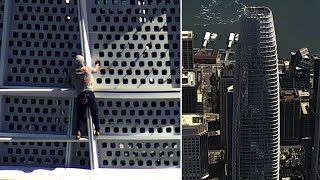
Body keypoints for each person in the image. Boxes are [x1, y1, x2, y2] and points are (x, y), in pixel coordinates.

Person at [64, 55, 100, 139]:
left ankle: (78, 132)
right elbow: (95, 70)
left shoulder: (72, 72)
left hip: (80, 94)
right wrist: (97, 64)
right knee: (94, 111)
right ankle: (97, 129)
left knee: (80, 115)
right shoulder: (87, 69)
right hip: (89, 92)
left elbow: (66, 82)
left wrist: (74, 87)